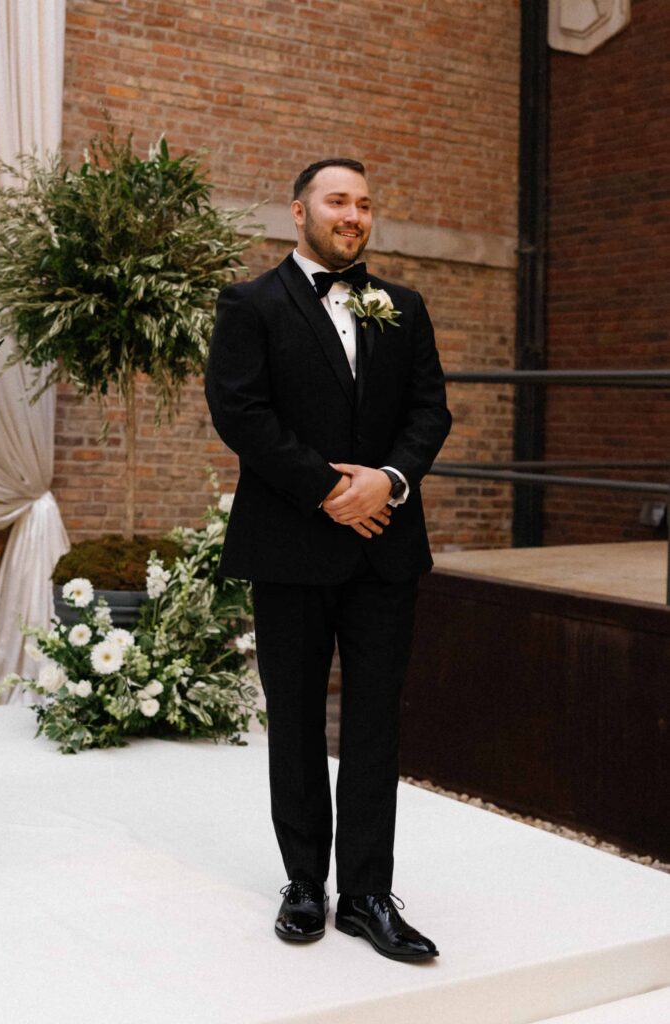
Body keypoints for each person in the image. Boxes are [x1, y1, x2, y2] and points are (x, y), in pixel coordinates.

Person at [205, 158, 452, 962]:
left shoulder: (403, 308)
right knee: (298, 721)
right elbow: (239, 411)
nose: (353, 215)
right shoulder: (251, 304)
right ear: (297, 212)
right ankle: (306, 884)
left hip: (386, 552)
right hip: (288, 548)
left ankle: (369, 895)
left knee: (376, 726)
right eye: (337, 201)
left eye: (365, 204)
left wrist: (386, 481)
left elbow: (429, 412)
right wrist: (327, 490)